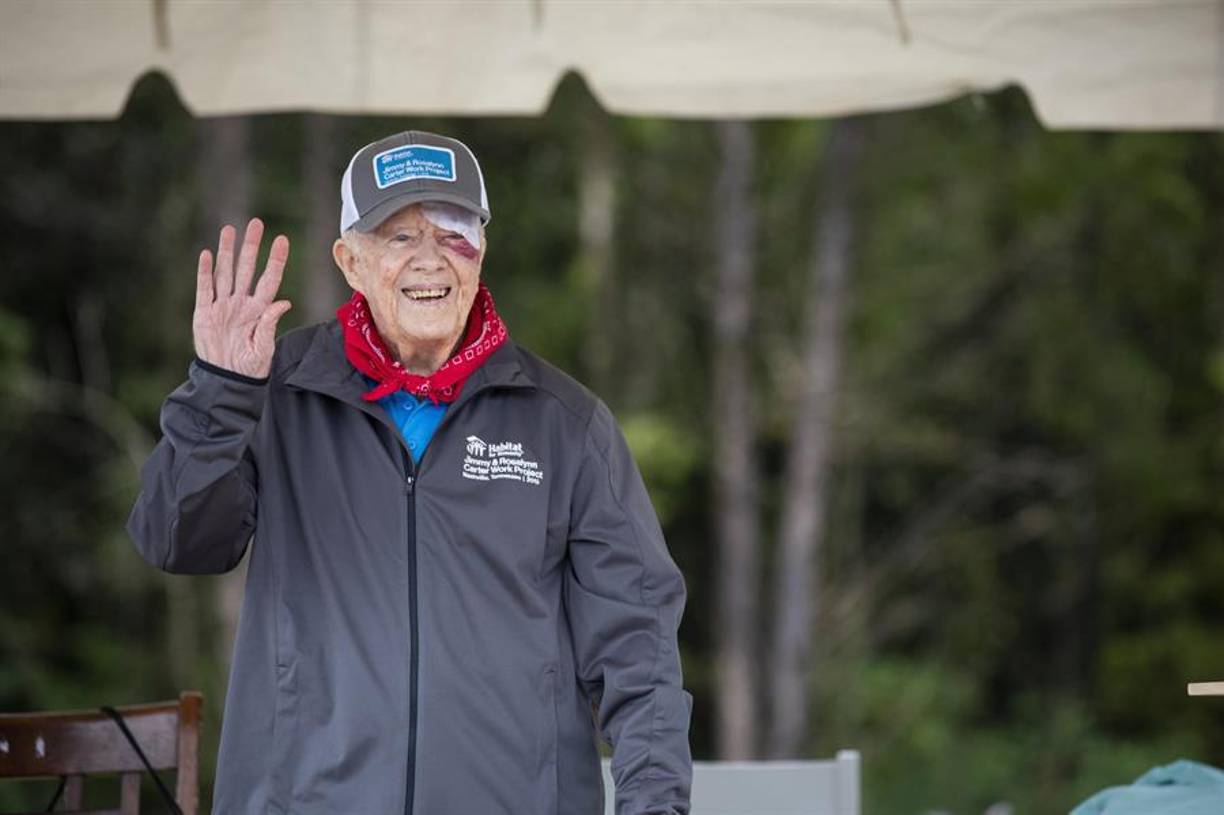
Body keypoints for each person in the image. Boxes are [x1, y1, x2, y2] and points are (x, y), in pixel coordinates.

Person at [126, 129, 694, 815]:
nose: (431, 258)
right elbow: (176, 540)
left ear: (481, 250)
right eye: (400, 235)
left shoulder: (566, 423)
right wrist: (221, 390)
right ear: (351, 261)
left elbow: (639, 648)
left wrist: (655, 805)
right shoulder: (273, 393)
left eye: (454, 233)